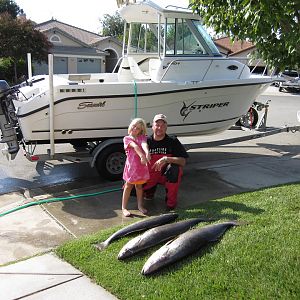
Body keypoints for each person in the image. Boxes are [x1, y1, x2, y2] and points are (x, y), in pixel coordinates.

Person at [143, 114, 188, 210]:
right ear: (152, 126)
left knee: (175, 169)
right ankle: (149, 192)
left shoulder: (173, 141)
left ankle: (171, 204)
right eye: (157, 125)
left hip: (165, 175)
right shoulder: (146, 141)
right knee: (131, 185)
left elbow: (183, 161)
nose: (160, 128)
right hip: (150, 176)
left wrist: (166, 159)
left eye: (163, 125)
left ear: (166, 127)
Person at [122, 118, 151, 217]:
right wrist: (142, 156)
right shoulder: (127, 138)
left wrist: (147, 153)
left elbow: (144, 144)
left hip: (140, 167)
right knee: (128, 186)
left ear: (141, 130)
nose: (135, 129)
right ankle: (124, 207)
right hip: (131, 167)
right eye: (134, 126)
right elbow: (135, 146)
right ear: (131, 125)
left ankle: (140, 205)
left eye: (138, 128)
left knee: (139, 186)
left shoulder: (142, 137)